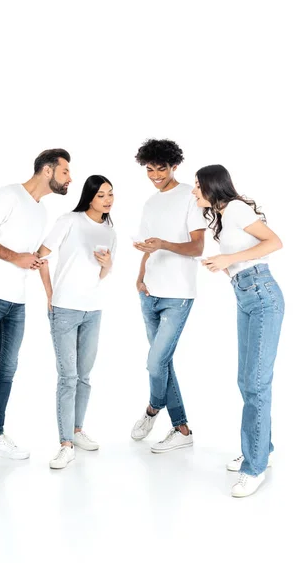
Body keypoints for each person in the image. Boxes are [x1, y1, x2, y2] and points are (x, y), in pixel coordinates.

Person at [0, 148, 72, 484]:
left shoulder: (41, 210)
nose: (70, 179)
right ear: (48, 170)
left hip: (16, 300)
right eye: (65, 172)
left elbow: (29, 254)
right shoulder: (7, 195)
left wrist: (48, 288)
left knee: (7, 371)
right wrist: (14, 257)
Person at [193, 164, 284, 497]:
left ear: (212, 185)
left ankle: (254, 467)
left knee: (257, 383)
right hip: (246, 295)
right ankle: (262, 449)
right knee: (248, 380)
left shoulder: (237, 208)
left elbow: (274, 242)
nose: (194, 191)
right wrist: (225, 264)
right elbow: (242, 255)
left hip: (262, 295)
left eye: (197, 185)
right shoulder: (223, 214)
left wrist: (226, 259)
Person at [131, 139, 207, 453]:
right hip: (149, 292)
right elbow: (150, 245)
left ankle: (152, 408)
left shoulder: (190, 196)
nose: (155, 175)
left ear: (174, 166)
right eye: (149, 169)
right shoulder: (150, 203)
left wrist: (163, 244)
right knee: (162, 363)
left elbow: (197, 248)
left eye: (160, 169)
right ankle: (182, 428)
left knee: (155, 362)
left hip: (178, 295)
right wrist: (140, 274)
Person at [38, 175, 116, 470]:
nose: (107, 199)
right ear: (89, 197)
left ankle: (77, 430)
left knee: (84, 376)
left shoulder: (110, 230)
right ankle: (65, 444)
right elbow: (41, 256)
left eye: (110, 194)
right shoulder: (69, 220)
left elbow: (102, 273)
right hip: (65, 309)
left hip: (93, 309)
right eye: (101, 195)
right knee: (67, 377)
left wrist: (107, 267)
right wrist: (50, 294)